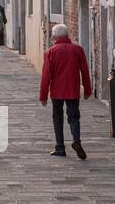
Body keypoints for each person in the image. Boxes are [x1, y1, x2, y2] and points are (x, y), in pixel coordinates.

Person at [39, 23, 93, 159]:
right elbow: (85, 71)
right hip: (72, 89)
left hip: (57, 91)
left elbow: (46, 75)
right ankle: (76, 140)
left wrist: (43, 95)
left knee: (57, 118)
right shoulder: (77, 50)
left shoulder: (50, 52)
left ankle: (60, 147)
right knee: (74, 117)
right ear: (67, 35)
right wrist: (87, 89)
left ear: (54, 36)